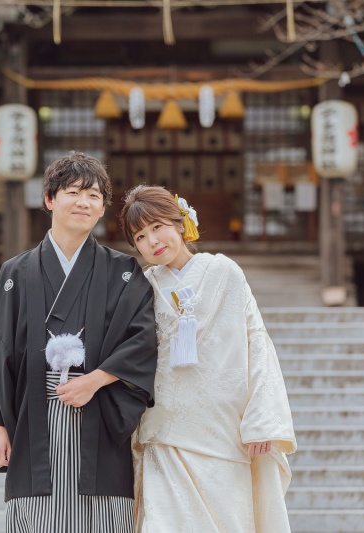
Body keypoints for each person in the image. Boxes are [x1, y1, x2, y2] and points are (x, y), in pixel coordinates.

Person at [0, 152, 158, 533]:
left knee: (104, 516)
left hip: (99, 411)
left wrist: (94, 379)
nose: (84, 202)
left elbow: (143, 339)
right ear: (50, 199)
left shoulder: (124, 272)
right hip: (32, 418)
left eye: (94, 196)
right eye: (74, 192)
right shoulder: (16, 272)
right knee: (37, 515)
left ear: (101, 210)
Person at [119, 185, 297, 533]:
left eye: (157, 227)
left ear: (179, 221)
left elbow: (256, 344)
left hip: (224, 430)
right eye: (140, 236)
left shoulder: (225, 273)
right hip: (165, 431)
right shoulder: (141, 286)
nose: (151, 241)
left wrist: (261, 421)